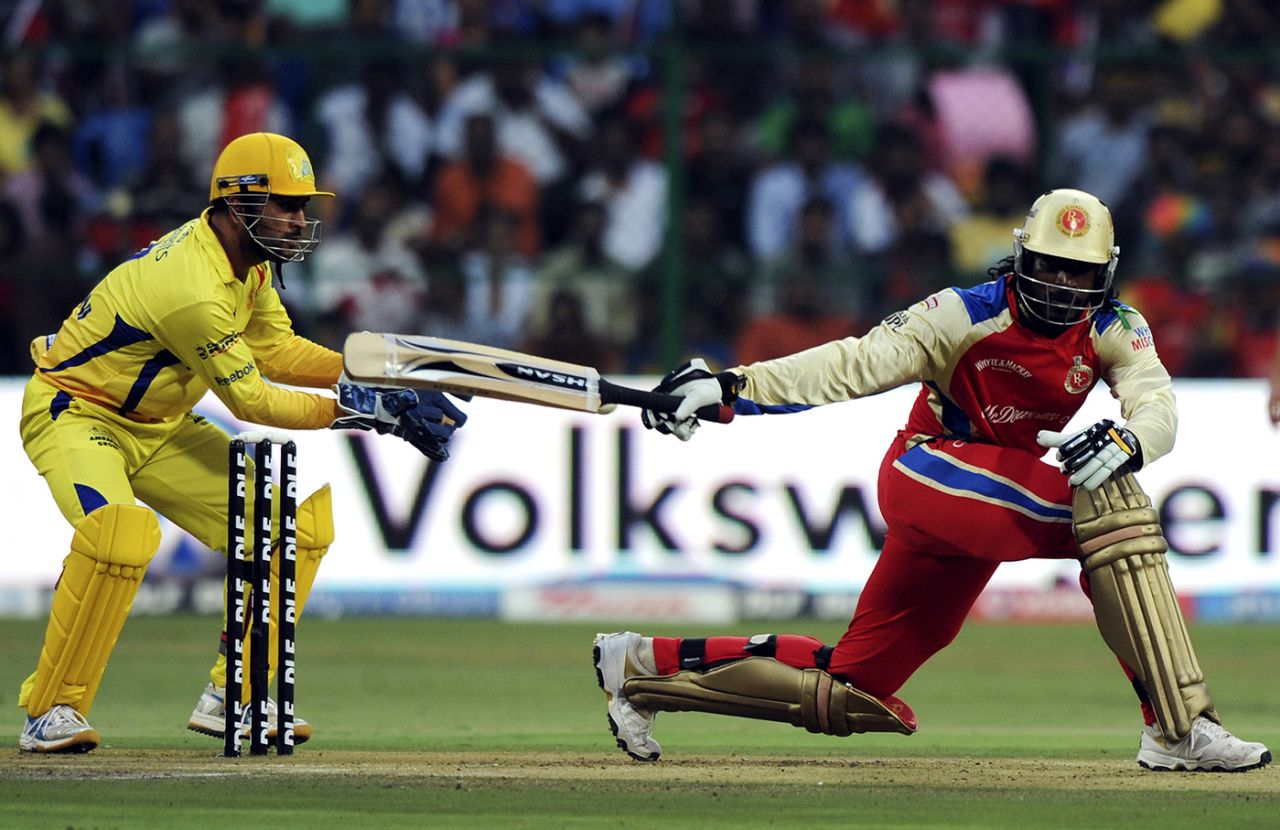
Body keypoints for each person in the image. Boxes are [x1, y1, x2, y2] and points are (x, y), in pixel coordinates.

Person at [593, 188, 1272, 773]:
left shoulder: (1116, 325)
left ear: (1106, 274)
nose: (1064, 287)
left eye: (1079, 275)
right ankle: (1179, 726)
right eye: (1050, 270)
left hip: (982, 506)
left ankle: (641, 669)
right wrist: (732, 386)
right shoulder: (962, 312)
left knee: (853, 686)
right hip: (929, 470)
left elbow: (1157, 404)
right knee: (1112, 508)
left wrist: (1130, 437)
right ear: (1021, 259)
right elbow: (850, 364)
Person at [17, 132, 467, 754]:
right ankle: (52, 710)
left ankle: (236, 695)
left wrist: (373, 380)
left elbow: (276, 350)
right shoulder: (192, 285)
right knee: (118, 533)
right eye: (286, 205)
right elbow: (251, 400)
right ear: (236, 204)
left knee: (292, 529)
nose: (299, 220)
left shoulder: (247, 264)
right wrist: (364, 413)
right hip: (77, 413)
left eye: (303, 206)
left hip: (160, 424)